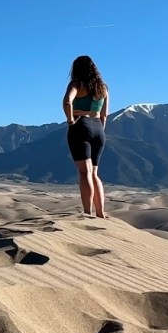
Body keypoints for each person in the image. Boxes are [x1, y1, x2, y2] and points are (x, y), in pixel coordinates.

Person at [63, 55, 109, 218]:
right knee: (94, 172)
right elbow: (104, 115)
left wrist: (70, 121)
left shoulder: (76, 84)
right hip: (98, 129)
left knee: (85, 172)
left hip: (81, 126)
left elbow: (67, 101)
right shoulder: (103, 88)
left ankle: (87, 213)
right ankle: (100, 212)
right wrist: (99, 129)